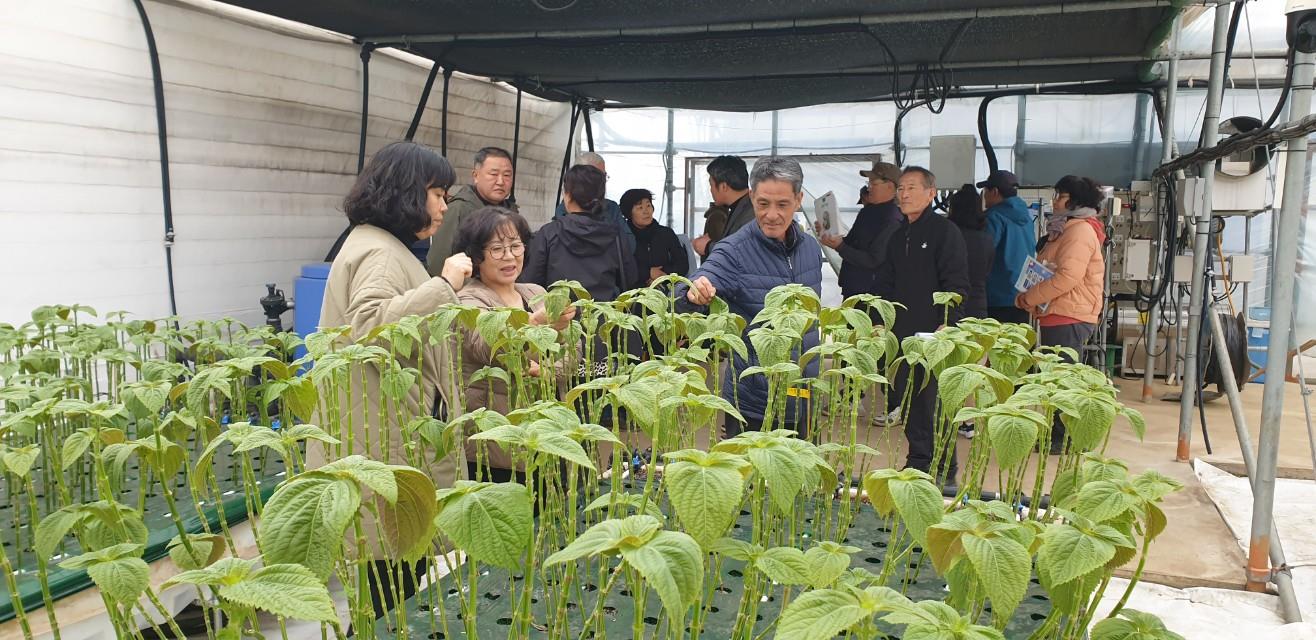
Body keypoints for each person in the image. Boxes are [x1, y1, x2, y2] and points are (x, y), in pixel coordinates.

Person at [312, 141, 472, 620]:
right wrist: (445, 286)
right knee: (388, 586)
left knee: (391, 579)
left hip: (384, 434)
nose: (444, 205)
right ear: (407, 191)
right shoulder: (381, 253)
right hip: (383, 442)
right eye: (437, 192)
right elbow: (371, 328)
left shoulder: (377, 243)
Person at [677, 156, 823, 438]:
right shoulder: (734, 250)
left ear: (798, 198)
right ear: (752, 196)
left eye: (782, 204)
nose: (772, 214)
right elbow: (695, 284)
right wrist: (694, 291)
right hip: (754, 399)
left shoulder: (810, 248)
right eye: (763, 203)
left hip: (803, 393)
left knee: (800, 477)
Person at [454, 206, 575, 481]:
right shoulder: (468, 300)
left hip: (546, 432)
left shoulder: (536, 293)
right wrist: (536, 324)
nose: (509, 256)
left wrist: (550, 371)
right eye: (497, 248)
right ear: (476, 255)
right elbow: (487, 345)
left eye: (515, 246)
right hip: (496, 446)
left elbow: (572, 347)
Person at [874, 167, 970, 483]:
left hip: (933, 333)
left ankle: (944, 470)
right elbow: (885, 284)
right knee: (911, 398)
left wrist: (949, 324)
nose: (903, 194)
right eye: (900, 188)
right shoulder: (898, 235)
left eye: (912, 188)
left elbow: (956, 284)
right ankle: (918, 462)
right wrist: (880, 322)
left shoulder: (945, 232)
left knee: (934, 403)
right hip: (902, 335)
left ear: (931, 193)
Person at [1016, 175, 1107, 455]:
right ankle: (1056, 435)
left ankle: (1061, 438)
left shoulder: (1078, 231)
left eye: (1061, 196)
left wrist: (1030, 297)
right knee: (1055, 377)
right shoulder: (1065, 229)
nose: (1055, 200)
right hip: (1058, 312)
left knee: (1062, 379)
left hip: (1069, 314)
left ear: (1075, 201)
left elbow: (1067, 276)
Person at [522, 164, 637, 302]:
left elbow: (531, 282)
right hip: (604, 317)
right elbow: (630, 278)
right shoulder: (615, 234)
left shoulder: (548, 233)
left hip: (560, 318)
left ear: (568, 196)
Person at [816, 160, 903, 300]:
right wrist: (831, 234)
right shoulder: (867, 212)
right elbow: (851, 243)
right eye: (868, 183)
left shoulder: (892, 220)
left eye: (873, 184)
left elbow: (874, 259)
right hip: (853, 288)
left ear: (890, 187)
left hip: (873, 296)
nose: (869, 188)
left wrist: (840, 246)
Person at [426, 146, 517, 273]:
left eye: (507, 175)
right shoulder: (458, 209)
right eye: (493, 174)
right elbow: (438, 263)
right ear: (475, 175)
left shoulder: (513, 213)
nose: (501, 181)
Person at [978, 169, 1036, 324]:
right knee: (1016, 345)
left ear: (995, 191)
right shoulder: (1027, 217)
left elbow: (983, 252)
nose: (984, 195)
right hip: (1022, 293)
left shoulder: (994, 217)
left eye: (986, 191)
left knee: (995, 346)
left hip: (997, 294)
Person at [553, 151, 635, 252]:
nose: (601, 182)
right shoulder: (563, 209)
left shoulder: (611, 207)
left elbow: (630, 244)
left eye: (603, 176)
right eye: (594, 176)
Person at [621, 188, 689, 287]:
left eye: (648, 205)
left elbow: (682, 264)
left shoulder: (666, 233)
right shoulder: (623, 237)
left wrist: (663, 275)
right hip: (632, 294)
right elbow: (620, 268)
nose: (646, 211)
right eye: (640, 207)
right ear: (629, 213)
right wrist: (647, 273)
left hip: (665, 290)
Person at [947, 184, 994, 320]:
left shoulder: (948, 236)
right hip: (978, 303)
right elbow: (987, 271)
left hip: (952, 304)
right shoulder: (986, 239)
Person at [692, 155, 754, 257]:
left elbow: (745, 252)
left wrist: (708, 246)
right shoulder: (739, 207)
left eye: (711, 185)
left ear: (723, 186)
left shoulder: (752, 212)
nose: (711, 190)